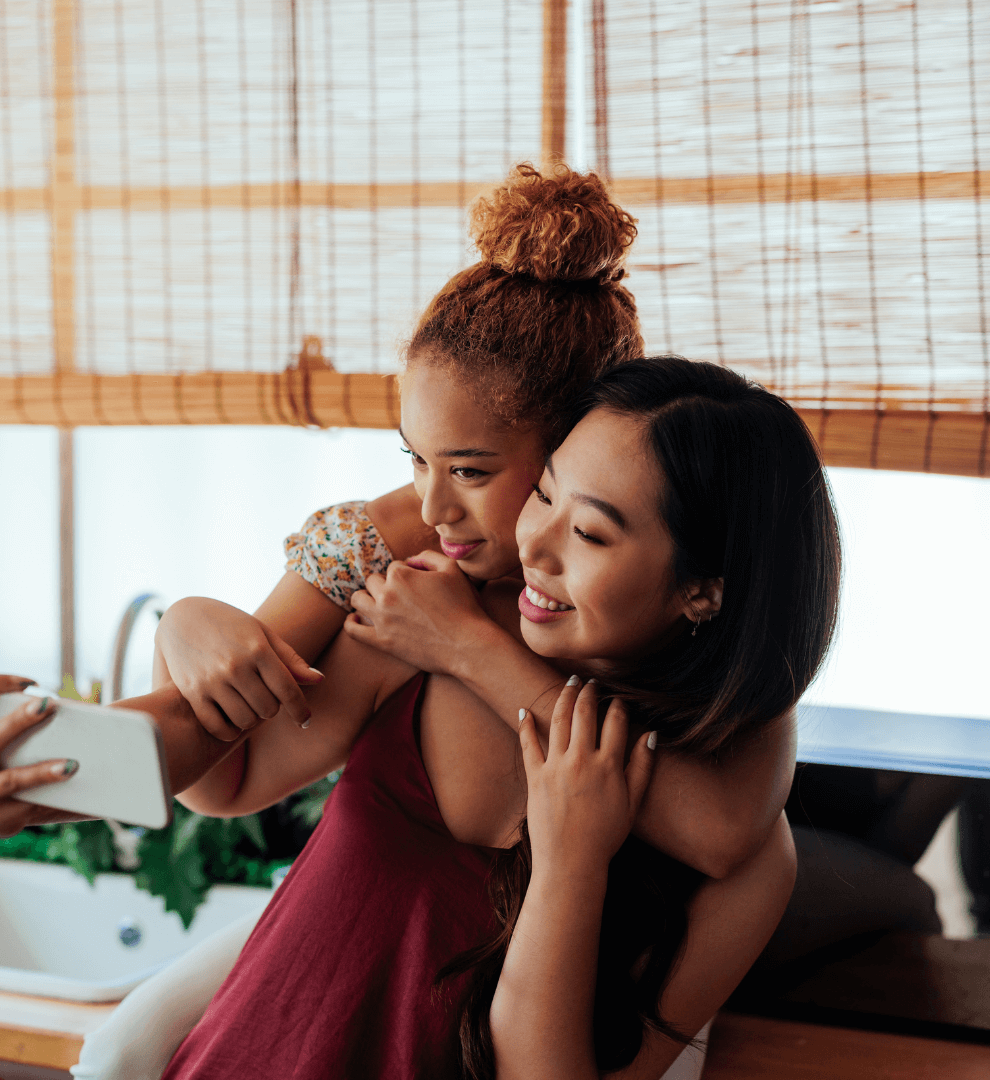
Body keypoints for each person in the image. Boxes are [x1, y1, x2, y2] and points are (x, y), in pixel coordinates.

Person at [153, 356, 835, 1079]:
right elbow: (221, 783)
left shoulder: (741, 859)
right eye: (543, 494)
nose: (534, 545)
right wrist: (183, 625)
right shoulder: (424, 623)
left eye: (592, 535)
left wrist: (572, 861)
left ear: (702, 592)